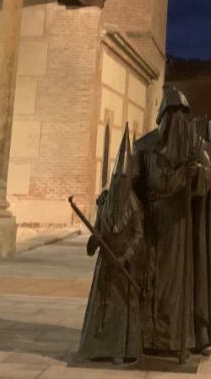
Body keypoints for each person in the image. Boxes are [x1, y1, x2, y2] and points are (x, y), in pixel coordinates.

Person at [134, 87, 211, 362]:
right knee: (153, 283)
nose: (178, 121)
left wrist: (196, 175)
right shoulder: (144, 146)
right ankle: (150, 337)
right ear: (163, 116)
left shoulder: (196, 147)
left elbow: (208, 180)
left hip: (182, 229)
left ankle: (186, 337)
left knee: (181, 284)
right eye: (173, 114)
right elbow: (132, 185)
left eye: (183, 115)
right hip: (152, 228)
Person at [78, 126, 145, 364]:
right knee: (103, 306)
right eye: (116, 178)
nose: (119, 182)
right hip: (106, 265)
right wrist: (94, 240)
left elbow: (138, 234)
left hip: (123, 265)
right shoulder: (104, 204)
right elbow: (98, 230)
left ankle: (122, 348)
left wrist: (126, 256)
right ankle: (99, 346)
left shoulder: (134, 205)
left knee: (122, 309)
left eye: (123, 178)